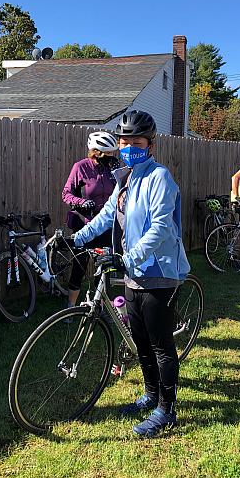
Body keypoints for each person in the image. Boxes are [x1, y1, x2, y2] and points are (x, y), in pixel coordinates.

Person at [68, 110, 190, 437]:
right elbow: (107, 216)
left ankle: (167, 409)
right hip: (134, 270)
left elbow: (162, 227)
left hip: (159, 271)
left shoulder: (158, 178)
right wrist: (75, 238)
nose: (129, 146)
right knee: (141, 340)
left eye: (136, 142)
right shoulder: (126, 178)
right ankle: (151, 395)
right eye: (124, 142)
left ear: (150, 145)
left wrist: (128, 257)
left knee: (161, 343)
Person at [61, 131, 119, 308]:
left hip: (106, 226)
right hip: (84, 224)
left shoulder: (113, 169)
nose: (111, 158)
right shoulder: (81, 167)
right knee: (80, 267)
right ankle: (71, 306)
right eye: (107, 154)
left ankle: (100, 307)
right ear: (96, 152)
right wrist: (81, 202)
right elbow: (66, 194)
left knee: (105, 268)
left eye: (112, 154)